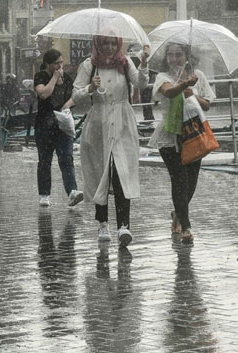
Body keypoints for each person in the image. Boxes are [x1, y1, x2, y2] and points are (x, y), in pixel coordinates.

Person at [72, 32, 150, 246]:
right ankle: (103, 222)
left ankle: (124, 225)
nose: (109, 47)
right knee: (100, 172)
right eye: (105, 42)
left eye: (113, 43)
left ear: (119, 44)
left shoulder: (125, 64)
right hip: (99, 123)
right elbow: (76, 94)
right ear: (98, 43)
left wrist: (143, 63)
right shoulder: (89, 65)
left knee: (122, 172)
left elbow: (141, 83)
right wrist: (90, 88)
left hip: (123, 122)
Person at [149, 42, 215, 243]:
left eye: (178, 55)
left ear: (186, 55)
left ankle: (178, 212)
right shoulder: (163, 77)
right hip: (170, 136)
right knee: (179, 180)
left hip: (193, 133)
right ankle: (186, 226)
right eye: (170, 55)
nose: (174, 59)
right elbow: (168, 92)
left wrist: (192, 93)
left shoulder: (198, 76)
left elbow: (208, 104)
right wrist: (184, 85)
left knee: (191, 181)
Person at [33, 49, 84, 208]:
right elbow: (43, 94)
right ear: (48, 64)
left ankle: (72, 192)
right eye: (57, 63)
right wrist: (54, 78)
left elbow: (73, 98)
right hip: (44, 125)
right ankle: (44, 194)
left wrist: (66, 107)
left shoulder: (68, 79)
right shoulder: (41, 76)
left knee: (66, 158)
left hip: (63, 125)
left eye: (61, 62)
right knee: (45, 160)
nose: (60, 66)